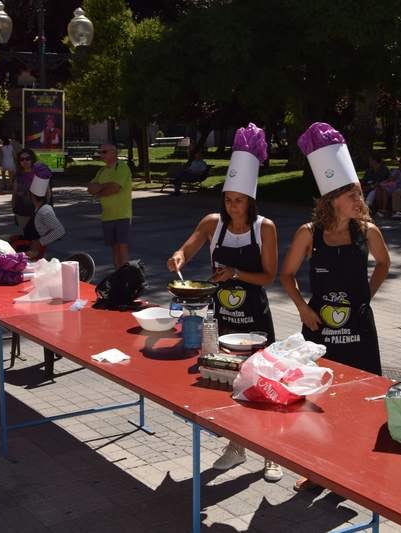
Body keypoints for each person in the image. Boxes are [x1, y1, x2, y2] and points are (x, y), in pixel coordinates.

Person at [167, 123, 283, 483]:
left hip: (255, 319)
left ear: (251, 201)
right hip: (222, 319)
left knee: (261, 384)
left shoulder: (265, 228)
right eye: (229, 200)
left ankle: (271, 453)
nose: (233, 206)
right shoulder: (212, 224)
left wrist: (235, 273)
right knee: (226, 383)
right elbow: (187, 249)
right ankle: (236, 446)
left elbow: (268, 276)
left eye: (239, 200)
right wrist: (178, 257)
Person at [281, 122, 390, 490]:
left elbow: (384, 264)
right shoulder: (308, 233)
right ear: (332, 200)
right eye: (352, 194)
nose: (360, 200)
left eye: (359, 193)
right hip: (320, 331)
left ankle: (357, 467)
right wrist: (303, 309)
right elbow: (286, 275)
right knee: (318, 399)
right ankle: (318, 471)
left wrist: (367, 295)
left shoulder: (368, 231)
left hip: (359, 330)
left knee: (362, 398)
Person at [87, 143, 133, 269]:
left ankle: (126, 275)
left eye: (104, 152)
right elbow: (90, 188)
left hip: (122, 215)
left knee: (122, 247)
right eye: (100, 152)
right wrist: (105, 186)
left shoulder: (122, 167)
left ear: (113, 153)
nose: (101, 154)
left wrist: (99, 190)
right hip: (107, 216)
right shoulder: (102, 171)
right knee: (114, 248)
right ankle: (118, 274)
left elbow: (115, 188)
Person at [10, 174, 65, 260]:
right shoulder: (38, 209)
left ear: (31, 195)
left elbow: (60, 231)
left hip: (34, 253)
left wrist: (40, 242)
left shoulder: (44, 211)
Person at [13, 148, 52, 234]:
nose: (25, 161)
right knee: (26, 236)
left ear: (32, 159)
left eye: (27, 159)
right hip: (22, 212)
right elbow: (14, 194)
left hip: (38, 212)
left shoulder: (40, 173)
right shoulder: (18, 175)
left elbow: (48, 193)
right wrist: (14, 210)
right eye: (22, 159)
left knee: (40, 237)